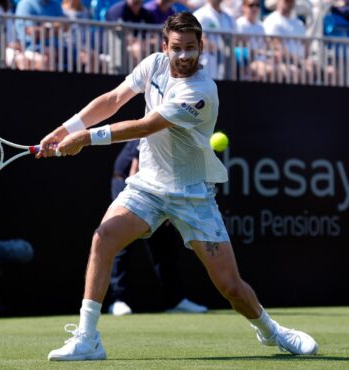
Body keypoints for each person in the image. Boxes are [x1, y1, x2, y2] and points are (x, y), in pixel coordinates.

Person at [37, 12, 318, 361]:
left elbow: (144, 126)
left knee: (231, 287)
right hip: (147, 187)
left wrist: (85, 139)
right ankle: (87, 337)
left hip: (192, 195)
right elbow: (112, 100)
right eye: (177, 48)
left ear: (201, 47)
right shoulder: (153, 64)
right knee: (103, 238)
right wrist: (64, 130)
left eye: (190, 48)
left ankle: (272, 331)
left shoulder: (200, 91)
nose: (184, 56)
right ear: (164, 47)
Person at [108, 140, 208, 315]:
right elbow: (136, 168)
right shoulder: (159, 129)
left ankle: (175, 300)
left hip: (156, 186)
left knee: (164, 242)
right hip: (130, 182)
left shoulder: (181, 135)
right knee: (123, 240)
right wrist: (133, 203)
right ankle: (118, 300)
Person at [15, 0, 65, 71]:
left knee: (83, 57)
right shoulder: (26, 4)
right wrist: (53, 27)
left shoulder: (55, 4)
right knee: (45, 59)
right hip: (32, 48)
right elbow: (33, 33)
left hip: (59, 49)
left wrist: (44, 28)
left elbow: (65, 26)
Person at [193, 0, 236, 80]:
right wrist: (215, 47)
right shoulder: (200, 15)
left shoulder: (229, 16)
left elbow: (233, 39)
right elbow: (197, 38)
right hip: (206, 64)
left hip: (225, 64)